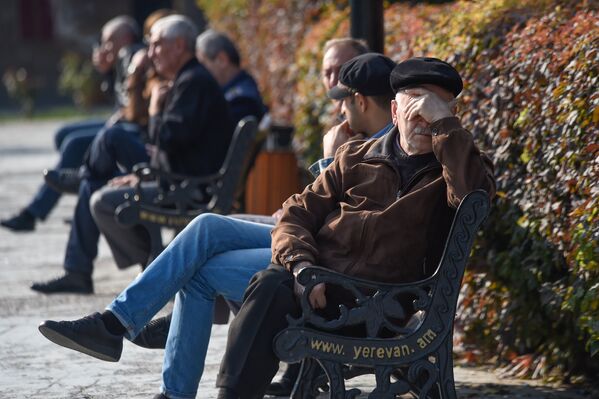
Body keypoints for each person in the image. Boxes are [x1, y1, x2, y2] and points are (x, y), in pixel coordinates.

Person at [37, 52, 396, 399]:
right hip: (309, 239)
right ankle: (116, 324)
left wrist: (329, 159)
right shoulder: (368, 142)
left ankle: (147, 361)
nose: (339, 108)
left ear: (362, 101)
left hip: (326, 262)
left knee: (199, 271)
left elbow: (348, 222)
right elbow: (315, 205)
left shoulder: (389, 152)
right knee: (207, 226)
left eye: (345, 100)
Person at [212, 56, 497, 399]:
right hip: (319, 288)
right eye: (416, 109)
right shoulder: (354, 157)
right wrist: (303, 266)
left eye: (435, 110)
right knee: (270, 283)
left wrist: (445, 127)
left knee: (260, 286)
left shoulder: (455, 169)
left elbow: (473, 197)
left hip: (380, 307)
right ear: (394, 112)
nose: (424, 120)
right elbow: (295, 213)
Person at [30, 15, 234, 294]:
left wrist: (155, 112)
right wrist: (139, 175)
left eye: (157, 45)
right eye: (149, 45)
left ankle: (157, 268)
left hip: (185, 187)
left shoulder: (193, 82)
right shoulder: (187, 79)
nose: (150, 53)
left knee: (101, 187)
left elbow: (167, 140)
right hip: (175, 177)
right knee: (95, 184)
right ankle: (82, 270)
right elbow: (173, 145)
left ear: (179, 45)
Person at [0, 16, 142, 231]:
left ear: (127, 38)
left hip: (132, 128)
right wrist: (106, 72)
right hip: (119, 122)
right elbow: (117, 97)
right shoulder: (124, 58)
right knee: (62, 135)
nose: (105, 47)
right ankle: (84, 186)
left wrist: (124, 110)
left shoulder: (135, 56)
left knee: (74, 144)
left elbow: (135, 105)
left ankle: (36, 212)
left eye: (110, 41)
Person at [196, 29, 267, 125]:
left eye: (203, 64)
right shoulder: (242, 89)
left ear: (222, 60)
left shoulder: (242, 101)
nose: (199, 72)